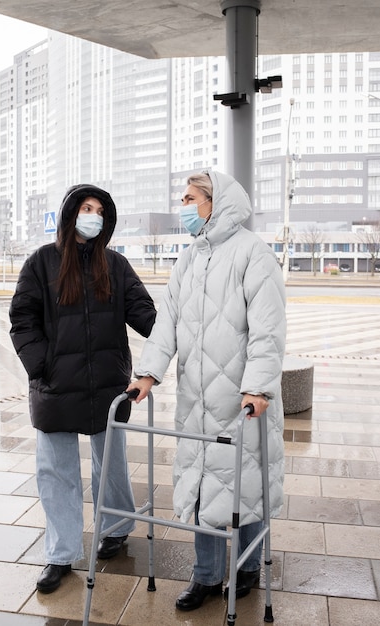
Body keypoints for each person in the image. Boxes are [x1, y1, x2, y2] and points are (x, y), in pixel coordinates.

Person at [127, 170, 286, 611]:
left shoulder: (254, 254)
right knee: (202, 487)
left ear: (216, 202)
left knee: (245, 483)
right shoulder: (189, 258)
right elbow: (167, 323)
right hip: (197, 398)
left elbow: (267, 331)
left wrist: (257, 386)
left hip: (242, 399)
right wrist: (148, 374)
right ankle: (207, 576)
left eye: (190, 198)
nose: (184, 207)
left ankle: (249, 566)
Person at [9, 184, 156, 593]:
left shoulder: (117, 264)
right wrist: (41, 366)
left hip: (107, 384)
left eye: (99, 210)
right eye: (85, 208)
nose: (92, 215)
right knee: (56, 472)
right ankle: (60, 554)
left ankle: (117, 527)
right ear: (70, 213)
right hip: (56, 386)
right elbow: (22, 319)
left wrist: (176, 335)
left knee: (110, 463)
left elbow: (144, 314)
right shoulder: (42, 262)